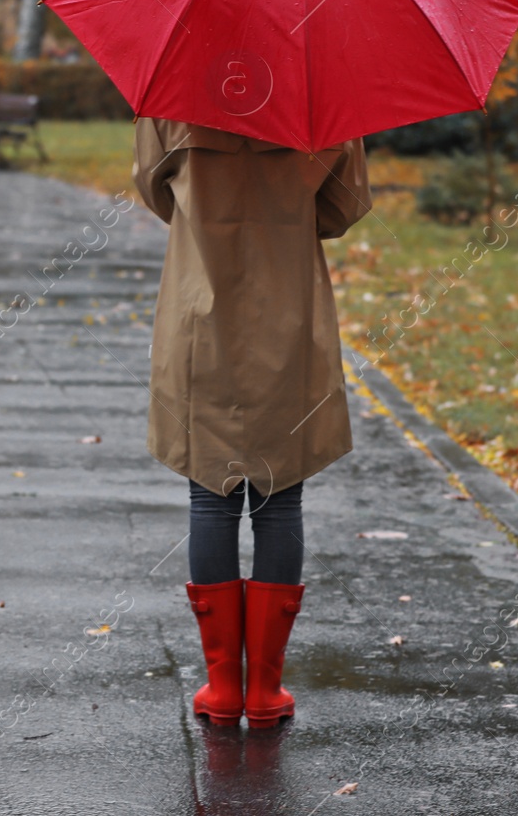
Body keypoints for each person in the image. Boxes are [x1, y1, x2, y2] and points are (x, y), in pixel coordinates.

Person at [132, 117, 371, 728]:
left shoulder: (170, 99)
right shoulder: (324, 96)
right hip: (287, 311)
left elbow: (154, 189)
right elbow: (343, 209)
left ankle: (221, 688)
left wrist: (206, 215)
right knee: (280, 496)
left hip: (198, 313)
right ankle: (264, 691)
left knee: (210, 494)